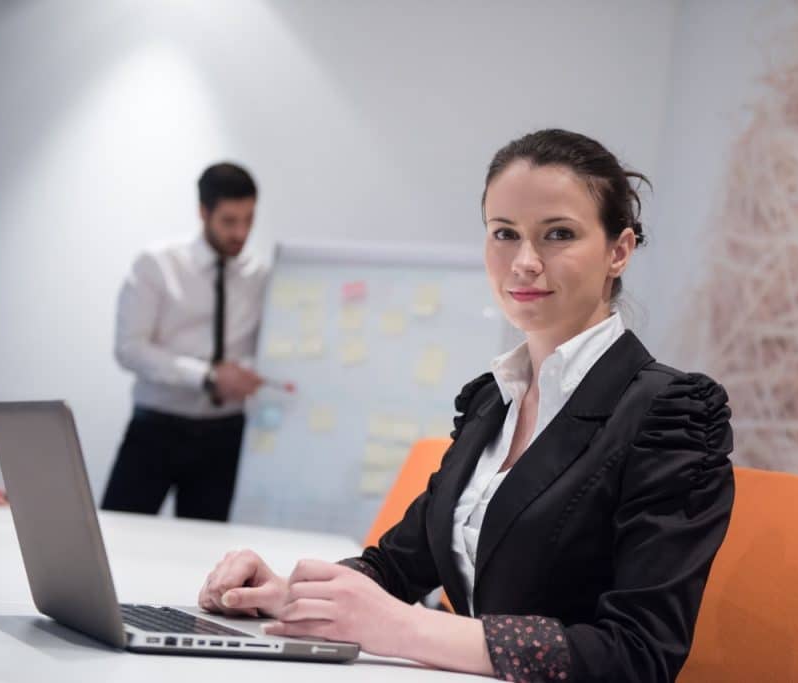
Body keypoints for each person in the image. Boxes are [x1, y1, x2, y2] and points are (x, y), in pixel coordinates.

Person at [196, 130, 735, 681]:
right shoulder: (492, 400)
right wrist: (291, 593)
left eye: (558, 234)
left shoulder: (670, 413)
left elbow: (638, 653)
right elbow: (398, 566)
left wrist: (404, 628)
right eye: (504, 233)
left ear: (618, 251)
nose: (524, 261)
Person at [101, 163, 269, 521]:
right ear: (203, 212)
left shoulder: (259, 275)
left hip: (225, 435)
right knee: (119, 534)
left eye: (249, 219)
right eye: (229, 221)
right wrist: (207, 377)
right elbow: (129, 348)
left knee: (208, 552)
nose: (240, 232)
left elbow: (268, 346)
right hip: (157, 428)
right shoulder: (157, 265)